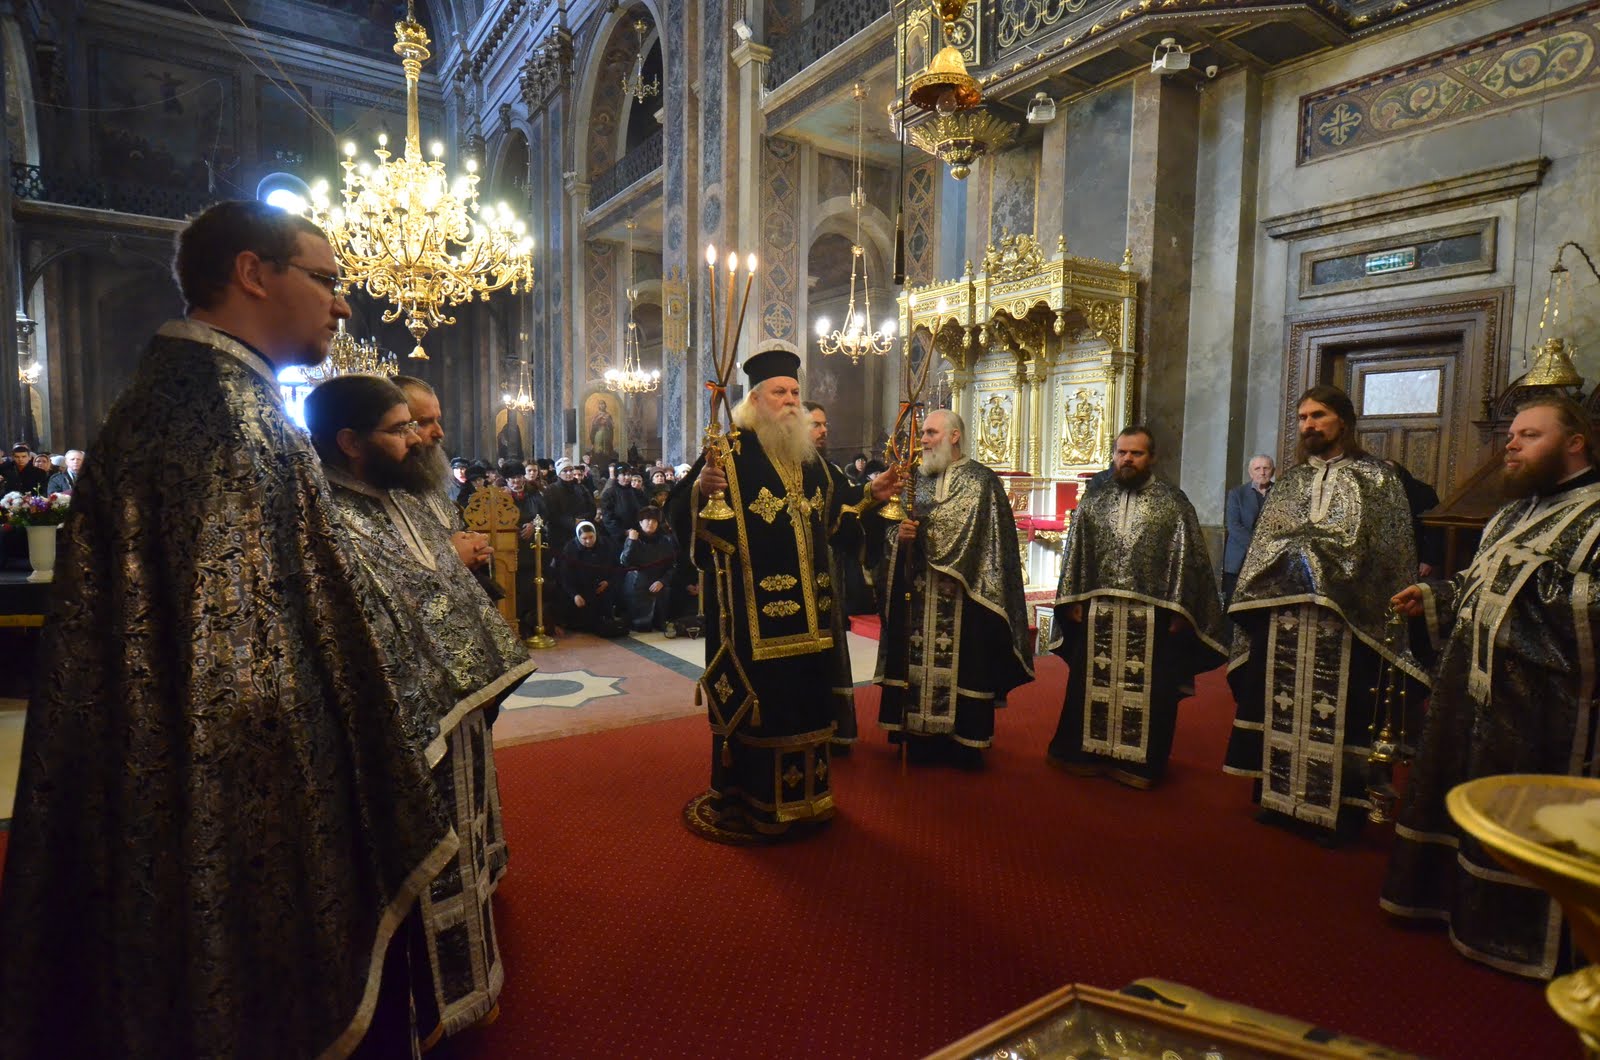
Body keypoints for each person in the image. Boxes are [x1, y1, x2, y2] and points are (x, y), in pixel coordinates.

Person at [0, 200, 454, 1058]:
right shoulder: (233, 425)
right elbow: (244, 677)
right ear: (253, 273)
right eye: (325, 280)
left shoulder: (181, 399)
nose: (344, 304)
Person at [304, 374, 534, 1043]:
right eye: (401, 429)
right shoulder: (328, 515)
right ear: (351, 442)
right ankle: (426, 1011)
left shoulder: (398, 494)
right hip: (400, 737)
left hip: (454, 714)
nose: (418, 440)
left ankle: (467, 987)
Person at [1382, 397, 1600, 979]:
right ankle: (1449, 905)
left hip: (1546, 709)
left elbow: (1586, 608)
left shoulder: (1597, 518)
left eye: (1529, 435)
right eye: (1511, 434)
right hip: (1473, 690)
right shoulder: (1509, 515)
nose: (1511, 445)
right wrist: (1438, 598)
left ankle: (1518, 934)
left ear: (1574, 442)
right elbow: (1479, 589)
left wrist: (1534, 588)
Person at [679, 347, 901, 841]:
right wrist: (700, 493)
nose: (791, 402)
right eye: (780, 392)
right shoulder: (728, 454)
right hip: (753, 621)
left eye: (796, 393)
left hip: (813, 618)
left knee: (806, 705)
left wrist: (873, 494)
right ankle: (751, 800)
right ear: (755, 400)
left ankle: (807, 800)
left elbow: (839, 513)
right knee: (767, 708)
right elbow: (684, 514)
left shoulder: (810, 462)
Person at [1223, 385, 1428, 845]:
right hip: (1288, 620)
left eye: (1318, 415)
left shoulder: (1377, 479)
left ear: (1344, 421)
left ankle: (1340, 810)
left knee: (1348, 712)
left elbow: (1388, 553)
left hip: (1349, 621)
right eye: (1301, 418)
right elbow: (1266, 546)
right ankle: (1278, 799)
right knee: (1281, 707)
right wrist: (1300, 557)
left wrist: (1313, 558)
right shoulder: (1291, 482)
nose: (1308, 425)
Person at [1048, 425, 1227, 788]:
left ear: (1152, 458)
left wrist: (1180, 611)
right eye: (1121, 453)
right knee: (1089, 684)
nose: (1127, 459)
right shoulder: (1095, 501)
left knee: (1151, 691)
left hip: (1152, 619)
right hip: (1098, 614)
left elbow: (1188, 561)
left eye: (1136, 453)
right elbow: (1076, 555)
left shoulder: (1173, 503)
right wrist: (1074, 601)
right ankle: (1086, 754)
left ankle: (1140, 764)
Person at [874, 409, 1033, 767]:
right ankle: (916, 734)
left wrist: (934, 542)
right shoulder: (916, 479)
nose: (924, 441)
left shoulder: (982, 482)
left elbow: (994, 546)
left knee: (966, 662)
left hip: (965, 596)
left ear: (954, 436)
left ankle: (963, 740)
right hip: (918, 592)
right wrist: (899, 538)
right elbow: (890, 529)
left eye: (930, 433)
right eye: (923, 434)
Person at [805, 400, 866, 752]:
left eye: (825, 424)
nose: (824, 430)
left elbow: (847, 510)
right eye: (816, 425)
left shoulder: (828, 472)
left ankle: (832, 727)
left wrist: (873, 495)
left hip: (823, 578)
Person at [1222, 454, 1274, 605]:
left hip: (1270, 558)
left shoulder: (1280, 493)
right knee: (1234, 605)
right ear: (1251, 473)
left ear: (1273, 471)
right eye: (1257, 468)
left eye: (1266, 468)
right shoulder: (1237, 494)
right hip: (1240, 558)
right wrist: (1258, 547)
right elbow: (1234, 525)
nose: (1262, 472)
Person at [619, 504, 676, 632]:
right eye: (648, 520)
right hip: (638, 586)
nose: (651, 523)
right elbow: (626, 562)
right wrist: (631, 542)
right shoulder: (634, 539)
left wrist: (662, 581)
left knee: (661, 625)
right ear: (640, 522)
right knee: (642, 627)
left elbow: (672, 565)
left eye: (654, 521)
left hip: (659, 585)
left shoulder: (664, 541)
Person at [559, 520, 620, 634]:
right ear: (578, 537)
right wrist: (575, 595)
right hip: (581, 592)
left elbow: (616, 567)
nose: (588, 541)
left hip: (603, 590)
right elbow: (565, 576)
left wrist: (608, 582)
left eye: (591, 537)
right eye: (584, 538)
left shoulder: (606, 545)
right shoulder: (570, 549)